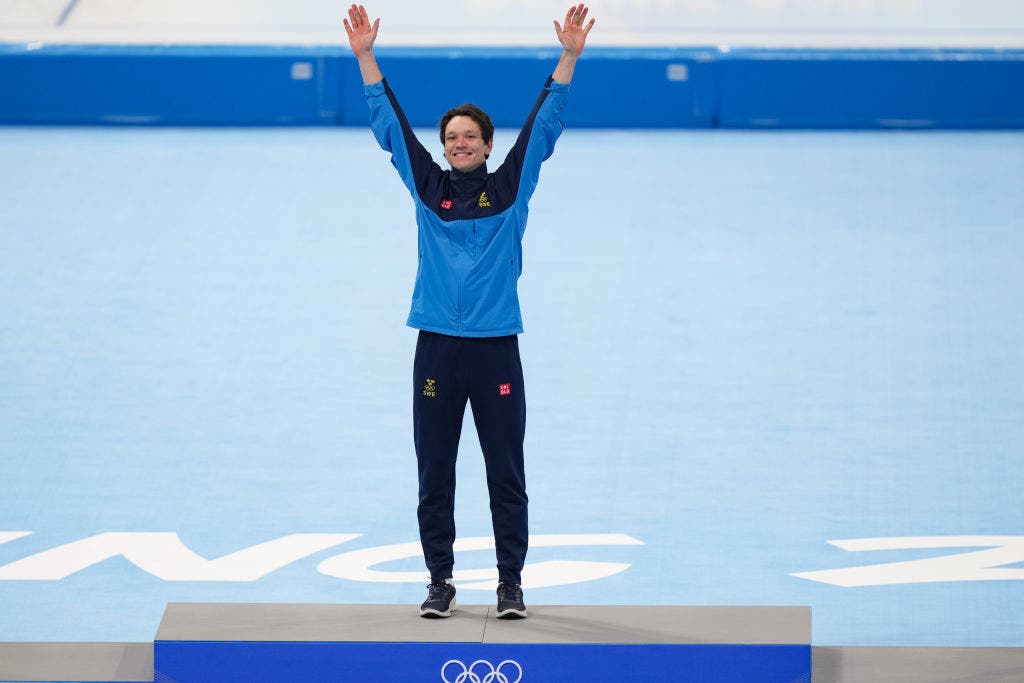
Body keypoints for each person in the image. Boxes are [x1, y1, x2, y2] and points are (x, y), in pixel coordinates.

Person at [344, 3, 595, 620]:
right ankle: (440, 581)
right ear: (444, 146)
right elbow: (390, 129)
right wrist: (366, 58)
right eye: (451, 137)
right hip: (436, 347)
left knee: (505, 473)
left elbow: (544, 127)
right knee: (435, 474)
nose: (459, 144)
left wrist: (567, 57)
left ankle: (510, 584)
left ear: (487, 145)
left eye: (470, 137)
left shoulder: (511, 187)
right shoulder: (427, 188)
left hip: (494, 348)